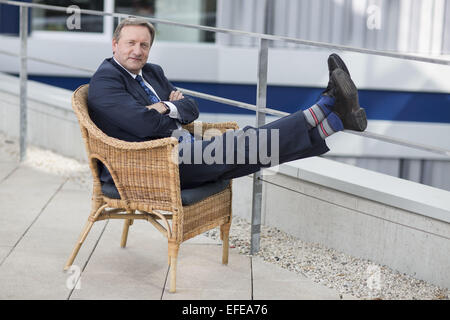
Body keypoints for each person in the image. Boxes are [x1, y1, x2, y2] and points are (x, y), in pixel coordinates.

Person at [88, 18, 367, 191]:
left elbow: (190, 109)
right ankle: (330, 106)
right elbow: (141, 123)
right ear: (114, 44)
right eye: (130, 43)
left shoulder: (152, 72)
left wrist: (164, 107)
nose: (138, 51)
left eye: (144, 44)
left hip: (183, 146)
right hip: (152, 164)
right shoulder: (106, 81)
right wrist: (167, 108)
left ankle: (337, 120)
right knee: (249, 143)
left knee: (254, 152)